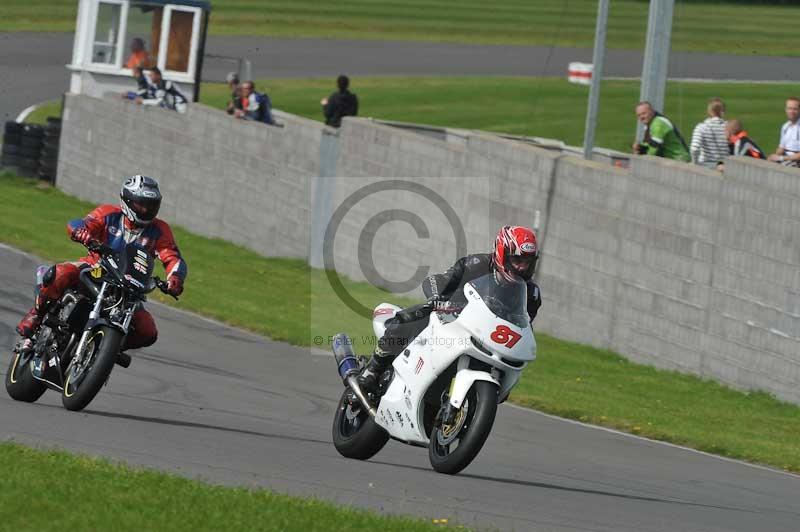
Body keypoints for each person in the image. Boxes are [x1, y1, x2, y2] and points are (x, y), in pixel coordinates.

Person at [357, 225, 543, 394]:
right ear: (502, 254)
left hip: (483, 337)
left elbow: (524, 324)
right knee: (411, 319)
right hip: (449, 320)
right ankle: (373, 369)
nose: (522, 267)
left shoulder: (531, 294)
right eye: (517, 260)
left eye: (528, 262)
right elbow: (435, 281)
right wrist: (439, 300)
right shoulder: (475, 265)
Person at [16, 175, 187, 354]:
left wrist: (175, 278)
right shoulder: (109, 213)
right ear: (127, 201)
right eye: (140, 204)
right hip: (95, 268)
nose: (145, 209)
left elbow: (173, 257)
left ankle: (107, 350)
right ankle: (36, 316)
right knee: (60, 273)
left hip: (130, 289)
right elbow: (81, 224)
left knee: (148, 331)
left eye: (151, 205)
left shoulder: (160, 230)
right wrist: (82, 233)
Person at [690, 98, 729, 168]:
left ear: (709, 111)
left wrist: (694, 163)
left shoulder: (701, 127)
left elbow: (694, 149)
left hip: (706, 166)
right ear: (723, 111)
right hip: (725, 167)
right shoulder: (729, 128)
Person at [768, 97, 800, 166]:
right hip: (786, 158)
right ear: (785, 109)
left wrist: (781, 158)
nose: (792, 111)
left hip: (796, 161)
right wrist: (774, 156)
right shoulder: (785, 126)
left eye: (795, 109)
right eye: (789, 108)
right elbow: (781, 148)